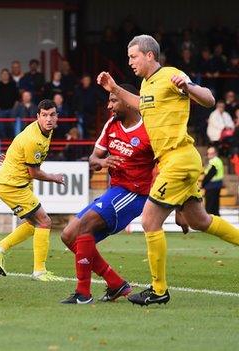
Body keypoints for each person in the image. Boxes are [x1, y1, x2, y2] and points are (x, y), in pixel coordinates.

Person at [97, 34, 239, 306]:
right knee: (200, 221)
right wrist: (114, 88)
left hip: (179, 159)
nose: (130, 62)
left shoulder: (172, 74)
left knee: (150, 220)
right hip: (174, 161)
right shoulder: (147, 84)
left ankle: (159, 290)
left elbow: (208, 98)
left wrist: (187, 86)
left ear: (150, 55)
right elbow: (141, 104)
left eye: (133, 56)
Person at [60, 84, 154, 304]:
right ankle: (115, 283)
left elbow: (165, 162)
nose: (109, 105)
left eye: (114, 101)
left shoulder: (149, 128)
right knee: (68, 235)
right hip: (115, 191)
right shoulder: (111, 125)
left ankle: (83, 293)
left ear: (129, 101)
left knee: (84, 228)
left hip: (133, 194)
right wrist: (102, 161)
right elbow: (93, 159)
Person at [0, 100, 64, 281]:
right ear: (38, 117)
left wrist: (12, 158)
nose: (48, 119)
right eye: (44, 115)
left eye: (52, 114)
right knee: (44, 221)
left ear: (57, 116)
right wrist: (54, 177)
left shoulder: (45, 131)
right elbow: (34, 172)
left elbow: (19, 150)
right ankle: (39, 271)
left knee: (33, 224)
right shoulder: (34, 139)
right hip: (12, 186)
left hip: (16, 182)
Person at [0, 69, 18, 138]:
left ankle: (12, 140)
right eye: (3, 74)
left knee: (12, 126)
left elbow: (17, 99)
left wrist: (14, 109)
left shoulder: (13, 84)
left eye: (6, 74)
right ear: (1, 75)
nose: (5, 75)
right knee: (1, 127)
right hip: (0, 110)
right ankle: (3, 141)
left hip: (11, 110)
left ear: (9, 75)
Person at [202, 146, 224, 216]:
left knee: (210, 206)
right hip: (215, 185)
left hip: (212, 186)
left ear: (215, 153)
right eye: (208, 153)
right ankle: (216, 219)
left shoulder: (215, 161)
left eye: (211, 153)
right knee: (214, 205)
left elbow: (210, 174)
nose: (209, 155)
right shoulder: (216, 161)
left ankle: (211, 222)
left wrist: (203, 183)